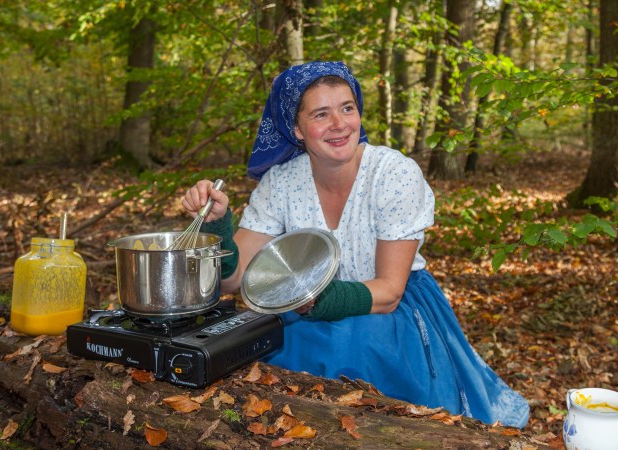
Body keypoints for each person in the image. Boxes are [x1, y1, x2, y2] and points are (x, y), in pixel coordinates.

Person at [181, 61, 530, 428]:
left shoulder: (393, 174)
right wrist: (219, 224)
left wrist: (317, 301)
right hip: (306, 309)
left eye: (347, 108)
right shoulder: (281, 182)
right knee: (269, 352)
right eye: (321, 114)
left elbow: (390, 291)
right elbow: (233, 282)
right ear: (297, 129)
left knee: (353, 343)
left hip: (389, 313)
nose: (339, 124)